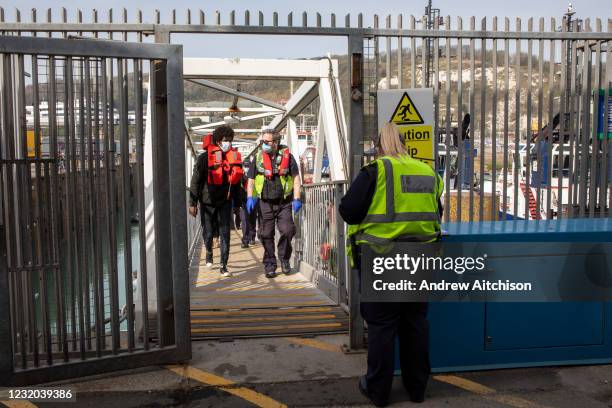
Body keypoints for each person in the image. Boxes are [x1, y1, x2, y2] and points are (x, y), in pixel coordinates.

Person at [339, 122, 443, 407]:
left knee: (383, 327)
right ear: (405, 142)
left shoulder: (375, 171)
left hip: (382, 257)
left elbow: (348, 211)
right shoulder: (428, 172)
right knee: (415, 324)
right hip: (420, 257)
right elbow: (437, 211)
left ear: (378, 145)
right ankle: (418, 389)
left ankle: (378, 392)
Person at [246, 130, 302, 279]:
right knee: (265, 234)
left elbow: (296, 178)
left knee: (288, 230)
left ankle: (284, 258)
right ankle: (270, 264)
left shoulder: (288, 157)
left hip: (284, 202)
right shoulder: (258, 158)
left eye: (267, 142)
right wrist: (250, 197)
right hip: (265, 202)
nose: (263, 144)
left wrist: (296, 198)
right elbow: (250, 180)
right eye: (262, 141)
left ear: (275, 142)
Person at [189, 125, 244, 277]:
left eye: (230, 141)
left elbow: (237, 184)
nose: (228, 143)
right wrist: (192, 203)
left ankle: (223, 265)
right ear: (218, 141)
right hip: (207, 201)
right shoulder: (204, 158)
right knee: (207, 232)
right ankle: (208, 252)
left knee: (225, 232)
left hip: (225, 201)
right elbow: (196, 181)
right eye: (226, 140)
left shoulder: (233, 158)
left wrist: (238, 206)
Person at [239, 158, 258, 248]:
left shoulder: (255, 175)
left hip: (253, 200)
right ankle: (245, 240)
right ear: (243, 167)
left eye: (248, 166)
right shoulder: (240, 176)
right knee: (244, 221)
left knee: (252, 219)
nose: (246, 168)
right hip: (243, 201)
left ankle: (252, 237)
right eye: (245, 166)